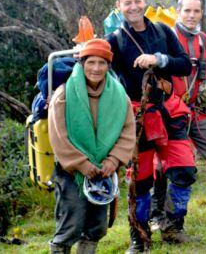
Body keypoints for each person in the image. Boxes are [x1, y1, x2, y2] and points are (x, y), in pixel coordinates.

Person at [105, 0, 194, 251]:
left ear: (144, 2)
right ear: (118, 6)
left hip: (169, 110)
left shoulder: (163, 31)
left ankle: (172, 226)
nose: (133, 7)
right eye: (127, 3)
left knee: (184, 172)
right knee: (140, 182)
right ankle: (140, 239)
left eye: (137, 1)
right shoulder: (114, 40)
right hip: (137, 118)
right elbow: (91, 69)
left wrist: (157, 59)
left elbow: (185, 64)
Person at [150, 0, 206, 219]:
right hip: (170, 111)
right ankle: (158, 215)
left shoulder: (203, 41)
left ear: (201, 13)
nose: (191, 15)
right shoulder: (167, 37)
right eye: (187, 10)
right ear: (178, 12)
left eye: (196, 11)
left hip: (197, 108)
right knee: (162, 163)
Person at [48, 39, 135, 254]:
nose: (96, 68)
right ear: (82, 63)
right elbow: (58, 136)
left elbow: (127, 131)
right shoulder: (64, 95)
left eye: (102, 63)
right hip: (72, 173)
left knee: (96, 225)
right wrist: (82, 164)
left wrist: (113, 160)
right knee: (71, 223)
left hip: (104, 172)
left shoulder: (119, 96)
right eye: (91, 62)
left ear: (108, 66)